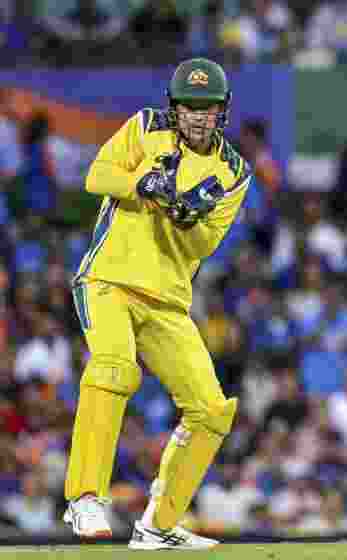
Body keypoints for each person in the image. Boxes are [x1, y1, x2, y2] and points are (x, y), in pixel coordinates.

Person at [62, 57, 252, 550]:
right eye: (189, 106)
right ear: (175, 107)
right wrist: (143, 183)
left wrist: (189, 218)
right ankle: (84, 499)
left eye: (207, 108)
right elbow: (97, 175)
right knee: (114, 368)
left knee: (211, 410)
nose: (197, 116)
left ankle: (158, 526)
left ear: (222, 111)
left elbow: (207, 244)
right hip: (107, 280)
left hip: (167, 301)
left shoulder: (233, 171)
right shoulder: (146, 126)